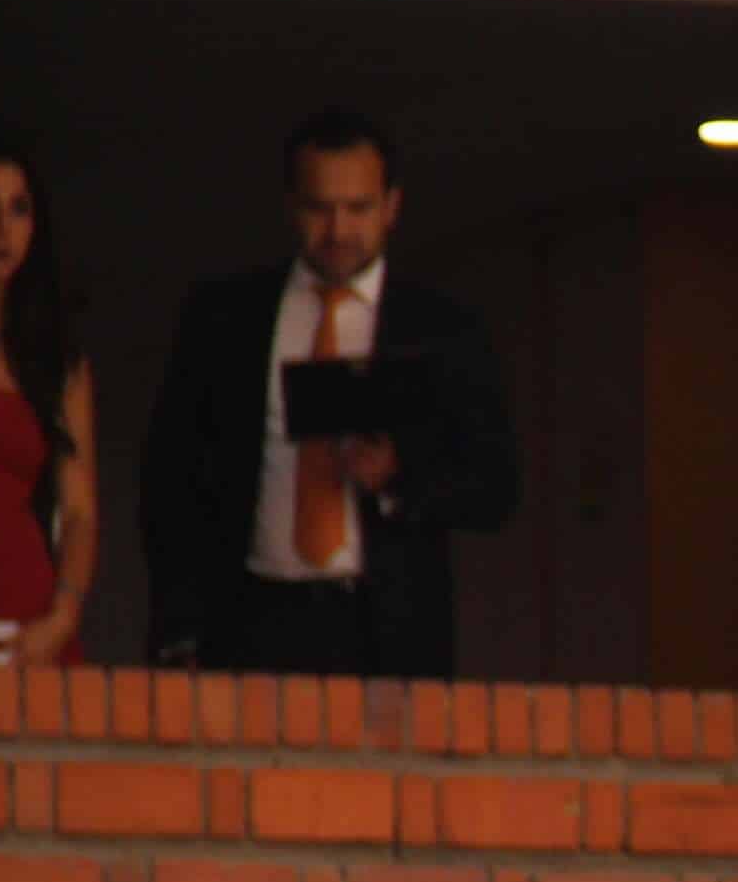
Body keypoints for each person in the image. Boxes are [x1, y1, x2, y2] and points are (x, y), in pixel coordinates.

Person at [141, 107, 517, 679]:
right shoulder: (224, 318)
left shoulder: (441, 329)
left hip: (386, 631)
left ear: (392, 206)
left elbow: (496, 485)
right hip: (249, 618)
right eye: (320, 209)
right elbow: (171, 482)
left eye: (358, 209)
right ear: (291, 205)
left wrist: (398, 475)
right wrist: (177, 627)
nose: (339, 230)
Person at [0, 139, 94, 667]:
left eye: (19, 208)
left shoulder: (57, 361)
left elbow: (79, 511)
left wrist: (63, 615)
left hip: (27, 611)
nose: (3, 230)